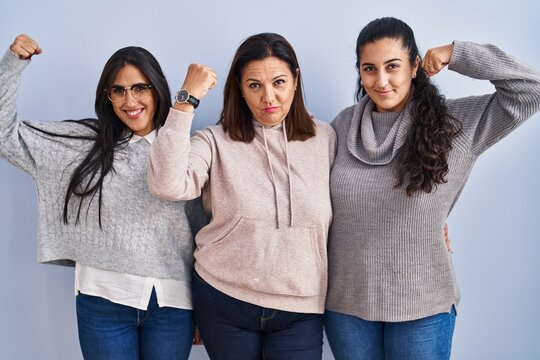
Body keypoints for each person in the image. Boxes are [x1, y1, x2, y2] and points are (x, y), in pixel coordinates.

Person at [324, 17, 540, 359]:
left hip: (422, 309)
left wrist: (458, 53)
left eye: (392, 66)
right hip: (346, 307)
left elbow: (532, 90)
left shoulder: (454, 125)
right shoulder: (342, 124)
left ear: (414, 66)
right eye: (369, 69)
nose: (381, 81)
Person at [0, 34, 205, 359]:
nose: (130, 100)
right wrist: (13, 64)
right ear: (107, 97)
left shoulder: (186, 147)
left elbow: (203, 231)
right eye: (118, 90)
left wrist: (204, 309)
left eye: (140, 87)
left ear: (157, 88)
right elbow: (4, 134)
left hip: (173, 305)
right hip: (103, 301)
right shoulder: (83, 144)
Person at [147, 32, 336, 359]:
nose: (268, 98)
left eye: (278, 82)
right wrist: (186, 99)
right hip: (225, 299)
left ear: (295, 80)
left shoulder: (325, 139)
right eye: (254, 86)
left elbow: (361, 191)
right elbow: (167, 184)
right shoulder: (213, 141)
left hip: (301, 305)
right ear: (239, 88)